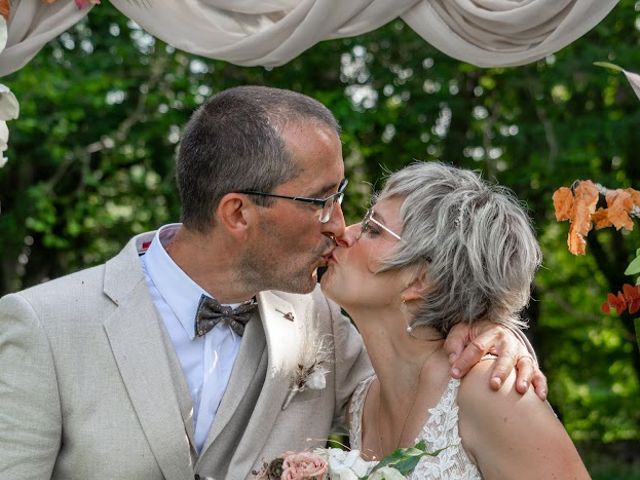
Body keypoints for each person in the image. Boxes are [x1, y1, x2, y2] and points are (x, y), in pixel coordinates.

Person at [0, 87, 544, 480]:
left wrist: (495, 330)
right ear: (237, 213)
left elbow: (424, 388)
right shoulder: (44, 325)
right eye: (319, 200)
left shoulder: (321, 316)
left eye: (343, 193)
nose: (338, 221)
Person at [321, 161, 590, 479]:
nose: (344, 233)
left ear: (422, 279)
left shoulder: (495, 394)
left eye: (373, 229)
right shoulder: (361, 402)